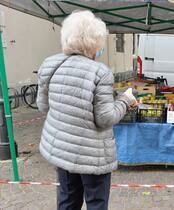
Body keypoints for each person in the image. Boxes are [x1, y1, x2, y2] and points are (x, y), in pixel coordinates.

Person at [36, 11, 137, 210]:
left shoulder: (50, 64)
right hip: (93, 156)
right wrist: (125, 100)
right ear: (94, 42)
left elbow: (43, 106)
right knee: (96, 203)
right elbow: (105, 118)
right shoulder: (100, 72)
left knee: (67, 201)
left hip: (62, 149)